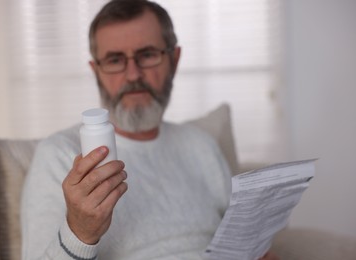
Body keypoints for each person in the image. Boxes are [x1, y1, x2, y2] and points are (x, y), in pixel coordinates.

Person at [21, 1, 278, 259]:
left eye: (147, 55)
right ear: (96, 71)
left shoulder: (201, 144)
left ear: (174, 60)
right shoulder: (59, 155)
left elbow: (244, 242)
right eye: (114, 60)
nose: (133, 75)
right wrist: (80, 232)